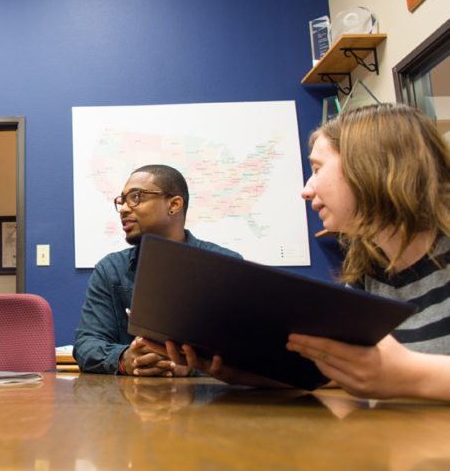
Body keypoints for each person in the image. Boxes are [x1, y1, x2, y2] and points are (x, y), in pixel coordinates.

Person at [165, 103, 450, 400]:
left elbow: (398, 377)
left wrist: (411, 376)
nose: (306, 190)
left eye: (316, 169)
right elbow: (333, 378)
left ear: (370, 166)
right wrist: (231, 371)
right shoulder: (371, 272)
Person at [73, 164, 242, 376]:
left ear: (174, 204)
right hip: (128, 402)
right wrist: (125, 358)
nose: (124, 208)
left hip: (208, 400)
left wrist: (189, 367)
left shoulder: (226, 266)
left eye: (136, 197)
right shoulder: (110, 269)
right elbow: (86, 343)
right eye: (122, 201)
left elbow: (243, 353)